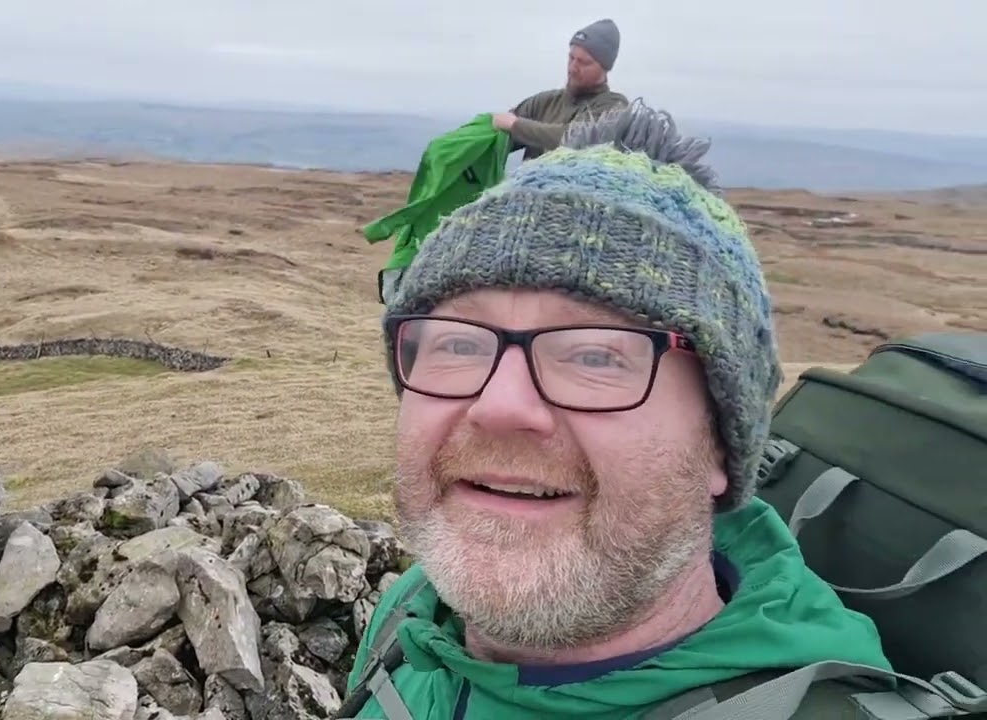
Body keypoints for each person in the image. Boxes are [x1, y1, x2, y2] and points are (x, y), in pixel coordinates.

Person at [340, 102, 901, 718]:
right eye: (459, 344)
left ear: (720, 440)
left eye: (596, 357)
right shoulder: (412, 616)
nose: (499, 405)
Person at [493, 18, 630, 160]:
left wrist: (515, 125)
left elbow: (576, 138)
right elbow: (498, 129)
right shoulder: (543, 102)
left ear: (604, 68)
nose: (573, 68)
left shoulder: (615, 106)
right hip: (525, 182)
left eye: (584, 62)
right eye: (571, 58)